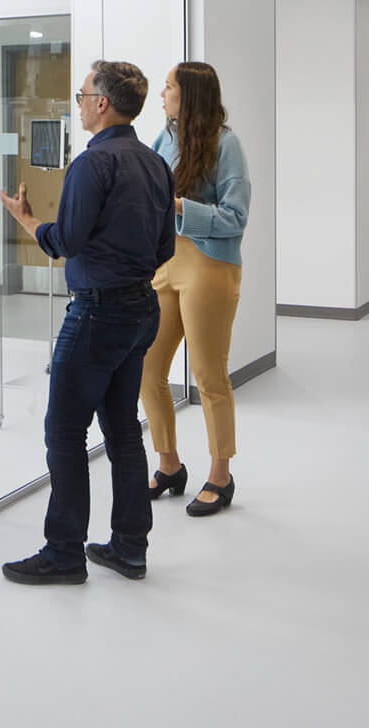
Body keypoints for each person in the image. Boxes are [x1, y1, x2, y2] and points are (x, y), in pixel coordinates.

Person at [0, 60, 174, 585]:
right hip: (142, 309)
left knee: (64, 430)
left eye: (81, 96)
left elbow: (67, 241)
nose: (77, 104)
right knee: (121, 429)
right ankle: (129, 549)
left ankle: (64, 553)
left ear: (102, 103)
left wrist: (27, 220)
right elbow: (164, 246)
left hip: (98, 312)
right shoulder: (154, 163)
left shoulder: (92, 165)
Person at [143, 63, 252, 517]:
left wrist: (181, 206)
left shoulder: (227, 145)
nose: (163, 92)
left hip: (208, 263)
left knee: (208, 375)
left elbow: (235, 217)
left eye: (169, 86)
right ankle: (169, 464)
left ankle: (220, 476)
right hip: (165, 262)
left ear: (190, 95)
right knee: (146, 366)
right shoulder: (163, 139)